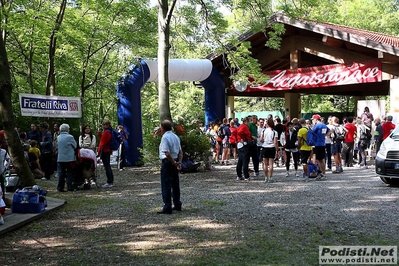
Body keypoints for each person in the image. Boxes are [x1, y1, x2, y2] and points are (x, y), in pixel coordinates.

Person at [157, 119, 183, 214]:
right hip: (175, 160)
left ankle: (167, 206)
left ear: (162, 128)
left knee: (166, 185)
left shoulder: (165, 138)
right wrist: (179, 162)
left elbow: (167, 153)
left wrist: (173, 162)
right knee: (175, 185)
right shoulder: (176, 137)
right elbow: (180, 152)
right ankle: (177, 204)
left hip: (168, 162)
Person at [56, 124, 77, 192]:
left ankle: (60, 187)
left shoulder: (58, 137)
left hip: (60, 158)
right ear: (67, 129)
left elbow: (56, 146)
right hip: (69, 158)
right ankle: (70, 187)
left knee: (61, 173)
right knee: (69, 172)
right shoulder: (70, 137)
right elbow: (75, 146)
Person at [311, 114, 330, 180]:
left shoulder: (317, 125)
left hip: (317, 144)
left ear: (316, 119)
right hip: (322, 143)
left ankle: (323, 174)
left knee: (320, 160)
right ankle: (321, 173)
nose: (313, 121)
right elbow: (329, 131)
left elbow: (312, 132)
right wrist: (324, 136)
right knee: (321, 159)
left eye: (313, 119)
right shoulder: (324, 125)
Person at [260, 118, 278, 182]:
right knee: (271, 164)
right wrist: (277, 150)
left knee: (265, 164)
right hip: (271, 147)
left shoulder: (263, 130)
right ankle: (270, 177)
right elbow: (275, 142)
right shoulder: (274, 132)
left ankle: (265, 177)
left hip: (264, 147)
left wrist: (265, 140)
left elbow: (261, 139)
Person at [98, 120, 115, 188]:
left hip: (105, 151)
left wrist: (98, 152)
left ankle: (109, 181)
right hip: (108, 150)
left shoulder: (106, 132)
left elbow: (102, 143)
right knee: (108, 166)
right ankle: (111, 181)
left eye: (104, 125)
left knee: (107, 166)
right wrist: (100, 135)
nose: (103, 126)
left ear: (107, 125)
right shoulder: (110, 131)